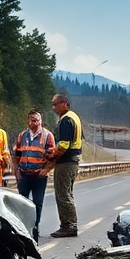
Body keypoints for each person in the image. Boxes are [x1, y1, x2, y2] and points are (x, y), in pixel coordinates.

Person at [11, 108, 55, 241]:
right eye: (32, 120)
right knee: (22, 202)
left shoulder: (48, 136)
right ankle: (23, 229)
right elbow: (16, 155)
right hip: (24, 174)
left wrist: (46, 170)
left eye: (36, 120)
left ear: (41, 121)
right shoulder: (22, 136)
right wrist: (16, 170)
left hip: (39, 177)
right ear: (28, 121)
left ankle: (35, 228)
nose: (34, 122)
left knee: (37, 203)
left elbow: (53, 157)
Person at [46, 93, 82, 238]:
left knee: (63, 194)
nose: (54, 107)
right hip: (73, 161)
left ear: (64, 103)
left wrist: (52, 156)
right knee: (67, 193)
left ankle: (68, 226)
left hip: (66, 162)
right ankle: (70, 224)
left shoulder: (66, 120)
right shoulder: (75, 117)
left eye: (56, 104)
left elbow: (63, 145)